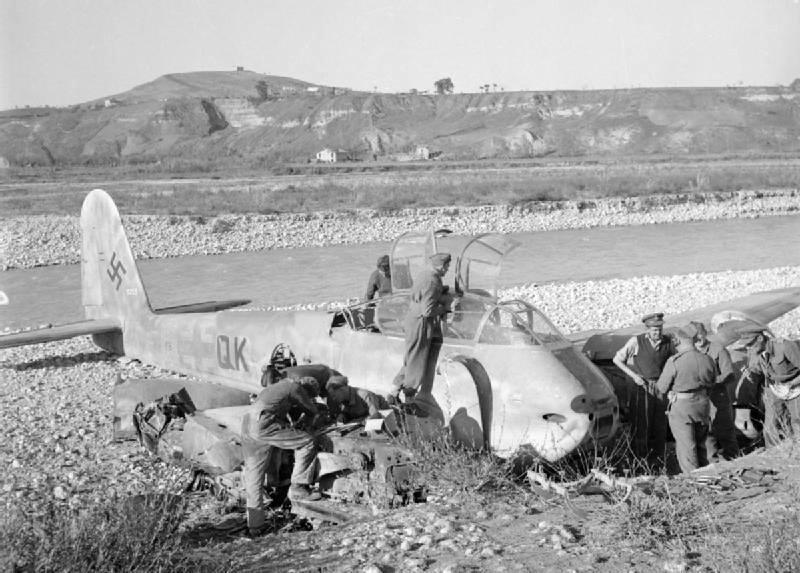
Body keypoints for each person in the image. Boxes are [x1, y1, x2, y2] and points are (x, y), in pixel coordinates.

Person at [241, 376, 322, 534]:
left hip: (248, 424)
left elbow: (285, 412)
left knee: (254, 476)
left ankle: (255, 526)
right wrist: (312, 418)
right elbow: (311, 410)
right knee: (307, 441)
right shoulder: (295, 388)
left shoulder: (278, 387)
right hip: (264, 424)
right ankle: (298, 486)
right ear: (307, 390)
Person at [612, 312, 676, 465]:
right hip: (642, 387)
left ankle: (658, 459)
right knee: (641, 423)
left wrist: (672, 386)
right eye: (654, 330)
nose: (657, 332)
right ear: (647, 329)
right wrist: (633, 376)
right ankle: (639, 460)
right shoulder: (636, 341)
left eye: (660, 329)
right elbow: (617, 359)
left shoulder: (669, 342)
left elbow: (675, 361)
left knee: (660, 423)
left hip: (661, 386)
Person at [391, 252, 456, 400]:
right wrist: (445, 308)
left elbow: (424, 294)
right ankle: (409, 400)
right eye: (446, 266)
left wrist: (442, 291)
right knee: (417, 362)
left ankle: (394, 391)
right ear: (440, 266)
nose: (447, 269)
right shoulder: (432, 281)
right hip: (421, 323)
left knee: (411, 357)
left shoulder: (426, 274)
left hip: (414, 319)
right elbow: (428, 311)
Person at [656, 328, 717, 474]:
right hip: (703, 405)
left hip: (682, 408)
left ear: (676, 341)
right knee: (702, 446)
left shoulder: (675, 361)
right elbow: (713, 382)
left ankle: (694, 482)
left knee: (686, 448)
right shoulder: (706, 358)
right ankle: (706, 476)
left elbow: (661, 387)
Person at [738, 326, 800, 446]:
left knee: (797, 422)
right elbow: (759, 370)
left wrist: (792, 384)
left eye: (750, 344)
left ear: (760, 338)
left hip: (795, 389)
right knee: (771, 427)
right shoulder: (755, 351)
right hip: (774, 390)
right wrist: (750, 373)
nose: (748, 348)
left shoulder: (785, 346)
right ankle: (773, 454)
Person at [690, 321, 738, 461]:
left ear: (705, 333)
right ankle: (712, 462)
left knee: (725, 430)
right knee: (706, 432)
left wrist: (711, 382)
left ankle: (733, 459)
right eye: (695, 336)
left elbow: (729, 374)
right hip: (700, 398)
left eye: (700, 334)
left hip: (718, 395)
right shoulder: (691, 352)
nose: (698, 338)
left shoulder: (718, 349)